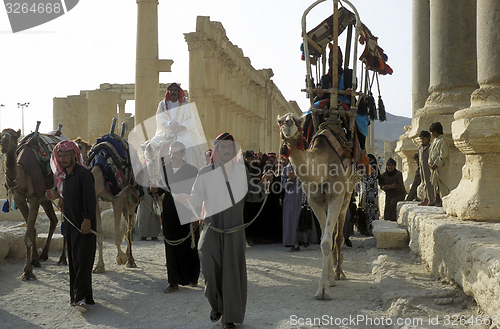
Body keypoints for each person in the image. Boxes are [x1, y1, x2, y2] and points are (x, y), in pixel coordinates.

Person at [175, 133, 266, 329]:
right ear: (216, 150)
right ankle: (216, 305)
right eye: (222, 147)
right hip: (212, 226)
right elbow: (197, 195)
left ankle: (229, 317)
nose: (226, 151)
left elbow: (253, 196)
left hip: (234, 230)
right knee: (208, 263)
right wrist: (188, 200)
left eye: (229, 148)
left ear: (234, 151)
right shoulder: (205, 172)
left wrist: (264, 185)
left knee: (232, 274)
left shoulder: (242, 172)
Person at [47, 141, 96, 313]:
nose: (62, 159)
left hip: (85, 226)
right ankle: (81, 297)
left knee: (83, 261)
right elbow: (69, 199)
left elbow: (90, 199)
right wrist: (55, 195)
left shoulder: (84, 174)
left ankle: (80, 298)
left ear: (75, 155)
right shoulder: (66, 178)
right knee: (75, 261)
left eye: (66, 155)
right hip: (71, 226)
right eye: (60, 156)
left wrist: (88, 219)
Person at [150, 141, 200, 293]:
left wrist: (195, 215)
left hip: (187, 211)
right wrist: (154, 188)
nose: (172, 156)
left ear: (183, 154)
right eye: (170, 153)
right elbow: (159, 189)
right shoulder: (164, 170)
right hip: (170, 212)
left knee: (190, 246)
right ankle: (173, 282)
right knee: (170, 246)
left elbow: (198, 193)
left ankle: (192, 277)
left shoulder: (192, 171)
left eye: (176, 153)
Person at [150, 83, 205, 169]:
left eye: (175, 90)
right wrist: (170, 124)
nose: (173, 92)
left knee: (189, 144)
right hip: (167, 131)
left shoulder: (185, 103)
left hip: (183, 131)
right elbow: (160, 119)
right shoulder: (163, 104)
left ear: (179, 92)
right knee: (151, 144)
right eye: (171, 90)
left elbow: (191, 119)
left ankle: (191, 170)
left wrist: (181, 127)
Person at [281, 163, 318, 251]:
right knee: (291, 220)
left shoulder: (305, 167)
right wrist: (290, 178)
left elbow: (310, 181)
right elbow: (283, 185)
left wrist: (296, 177)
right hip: (290, 199)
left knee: (302, 217)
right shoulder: (286, 169)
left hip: (302, 197)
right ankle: (293, 243)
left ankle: (304, 240)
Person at [135, 168, 161, 241]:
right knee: (143, 214)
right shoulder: (142, 169)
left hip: (154, 192)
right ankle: (143, 234)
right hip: (144, 193)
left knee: (154, 213)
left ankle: (154, 234)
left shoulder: (156, 168)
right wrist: (140, 193)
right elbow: (137, 181)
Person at [428, 122, 450, 207]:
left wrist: (436, 164)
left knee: (442, 185)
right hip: (434, 168)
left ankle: (445, 201)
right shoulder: (434, 141)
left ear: (436, 131)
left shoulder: (443, 140)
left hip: (441, 167)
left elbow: (443, 154)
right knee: (436, 186)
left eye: (432, 132)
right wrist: (430, 163)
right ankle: (437, 200)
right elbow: (431, 153)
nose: (432, 134)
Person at [417, 130, 435, 206]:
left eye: (423, 138)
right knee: (424, 183)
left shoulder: (431, 147)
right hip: (422, 168)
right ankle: (425, 199)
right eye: (421, 139)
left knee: (429, 183)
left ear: (428, 138)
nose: (422, 140)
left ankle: (432, 199)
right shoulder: (420, 148)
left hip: (429, 168)